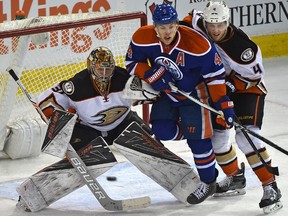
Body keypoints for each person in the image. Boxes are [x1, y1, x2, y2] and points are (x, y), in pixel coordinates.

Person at [125, 3, 235, 204]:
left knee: (199, 142)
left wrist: (223, 103)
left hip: (195, 93)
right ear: (155, 27)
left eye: (170, 26)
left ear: (177, 25)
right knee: (162, 130)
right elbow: (131, 63)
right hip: (167, 93)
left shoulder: (198, 45)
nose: (167, 31)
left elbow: (216, 76)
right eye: (162, 27)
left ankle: (208, 182)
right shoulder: (142, 37)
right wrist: (152, 73)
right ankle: (196, 129)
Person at [181, 1, 282, 213]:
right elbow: (186, 22)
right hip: (219, 91)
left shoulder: (243, 49)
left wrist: (229, 84)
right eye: (212, 24)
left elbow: (254, 78)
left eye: (220, 24)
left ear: (228, 22)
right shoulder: (198, 23)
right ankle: (236, 177)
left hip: (246, 91)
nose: (215, 30)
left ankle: (270, 186)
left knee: (246, 138)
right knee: (218, 141)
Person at [37, 46, 151, 151]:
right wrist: (52, 117)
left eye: (109, 70)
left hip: (122, 124)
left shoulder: (125, 78)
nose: (104, 74)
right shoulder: (77, 85)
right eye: (100, 70)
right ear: (91, 68)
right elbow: (49, 99)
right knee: (87, 149)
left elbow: (150, 91)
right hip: (88, 130)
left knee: (149, 141)